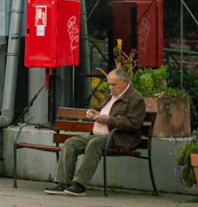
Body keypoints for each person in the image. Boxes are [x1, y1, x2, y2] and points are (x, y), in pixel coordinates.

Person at [45, 67, 145, 196]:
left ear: (125, 82)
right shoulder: (111, 96)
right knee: (71, 143)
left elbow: (134, 123)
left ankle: (80, 184)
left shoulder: (135, 98)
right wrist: (93, 113)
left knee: (94, 144)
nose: (110, 88)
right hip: (100, 135)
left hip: (120, 137)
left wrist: (110, 120)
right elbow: (102, 110)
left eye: (114, 84)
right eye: (109, 84)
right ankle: (63, 182)